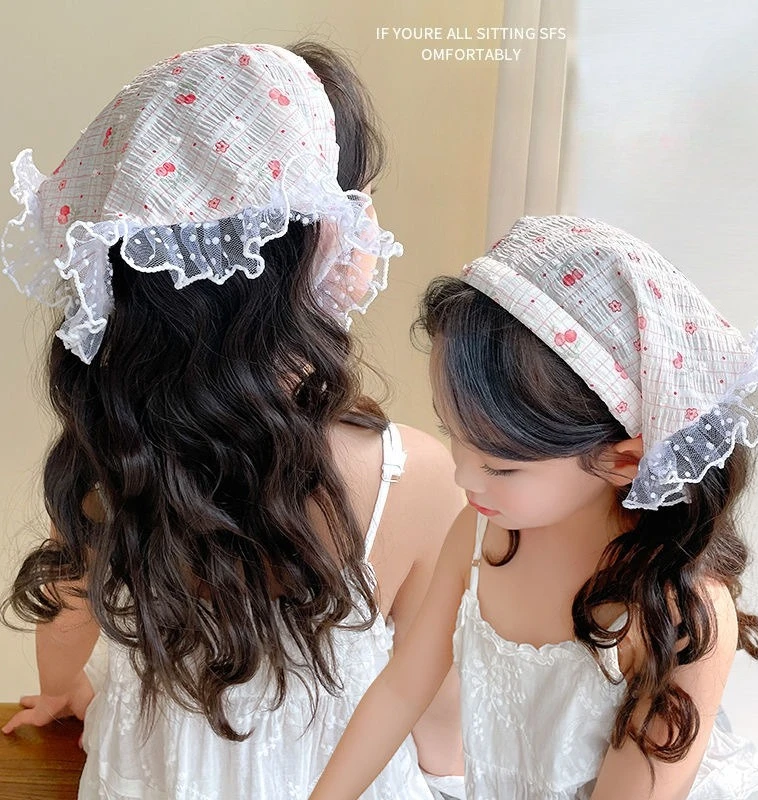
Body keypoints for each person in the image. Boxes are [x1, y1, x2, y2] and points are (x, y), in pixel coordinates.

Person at [0, 42, 465, 799]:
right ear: (317, 237)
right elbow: (436, 708)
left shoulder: (116, 451)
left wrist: (64, 691)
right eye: (357, 200)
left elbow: (65, 616)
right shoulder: (412, 477)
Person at [310, 215, 758, 800]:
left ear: (625, 461)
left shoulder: (678, 613)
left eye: (501, 466)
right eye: (451, 433)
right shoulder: (479, 535)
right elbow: (402, 689)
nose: (462, 476)